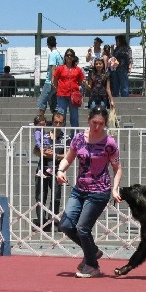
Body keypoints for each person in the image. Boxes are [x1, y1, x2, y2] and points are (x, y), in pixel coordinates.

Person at [57, 106, 123, 278]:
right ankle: (92, 251)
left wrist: (115, 189)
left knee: (82, 228)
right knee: (65, 225)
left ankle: (92, 265)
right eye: (94, 122)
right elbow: (68, 158)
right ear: (88, 120)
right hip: (79, 189)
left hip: (99, 191)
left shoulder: (109, 143)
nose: (97, 127)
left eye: (101, 124)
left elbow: (117, 168)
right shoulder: (78, 139)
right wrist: (60, 171)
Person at [33, 113, 70, 229]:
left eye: (60, 122)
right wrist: (43, 152)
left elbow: (68, 155)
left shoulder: (66, 138)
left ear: (63, 123)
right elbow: (36, 151)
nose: (57, 125)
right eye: (55, 122)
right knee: (40, 197)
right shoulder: (45, 135)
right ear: (52, 122)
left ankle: (53, 221)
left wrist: (54, 155)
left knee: (56, 197)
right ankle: (41, 222)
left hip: (57, 171)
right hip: (42, 170)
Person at [52, 49, 85, 133]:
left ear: (74, 57)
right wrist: (59, 89)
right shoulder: (60, 68)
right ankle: (61, 136)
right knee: (61, 116)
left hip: (73, 96)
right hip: (62, 95)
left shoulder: (78, 69)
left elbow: (80, 82)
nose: (69, 57)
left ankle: (75, 137)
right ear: (65, 57)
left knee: (74, 117)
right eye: (67, 55)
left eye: (71, 55)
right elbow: (54, 81)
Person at [37, 36, 63, 117]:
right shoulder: (60, 54)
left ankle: (40, 121)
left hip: (50, 82)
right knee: (54, 103)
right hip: (58, 83)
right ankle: (57, 121)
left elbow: (53, 67)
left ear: (48, 45)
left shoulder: (52, 54)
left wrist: (52, 81)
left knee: (42, 101)